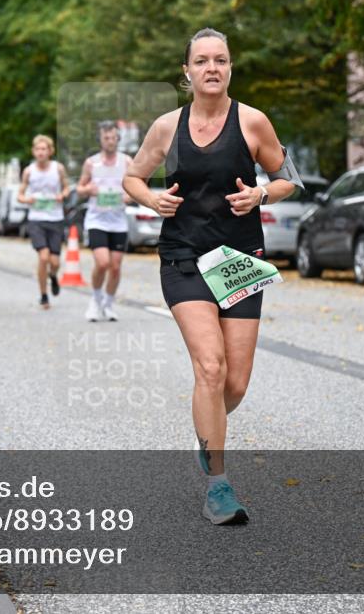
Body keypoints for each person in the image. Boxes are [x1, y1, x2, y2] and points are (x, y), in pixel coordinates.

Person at [123, 28, 301, 524]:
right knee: (211, 367)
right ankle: (218, 485)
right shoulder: (166, 127)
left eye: (220, 60)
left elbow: (290, 177)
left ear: (230, 67)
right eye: (201, 61)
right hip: (183, 258)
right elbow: (132, 177)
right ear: (186, 71)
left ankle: (207, 427)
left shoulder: (252, 121)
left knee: (236, 383)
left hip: (239, 258)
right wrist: (151, 198)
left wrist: (261, 195)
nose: (211, 68)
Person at [78, 122, 133, 321]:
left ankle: (108, 304)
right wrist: (88, 190)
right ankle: (95, 299)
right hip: (97, 220)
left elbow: (136, 185)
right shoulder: (92, 163)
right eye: (105, 138)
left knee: (116, 267)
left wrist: (130, 195)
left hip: (118, 221)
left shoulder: (126, 162)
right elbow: (80, 188)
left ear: (118, 139)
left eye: (113, 137)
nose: (109, 141)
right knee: (102, 263)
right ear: (100, 140)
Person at [18, 134, 70, 309]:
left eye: (44, 149)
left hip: (55, 219)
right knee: (43, 257)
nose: (41, 152)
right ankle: (43, 295)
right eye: (38, 149)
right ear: (34, 152)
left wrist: (61, 195)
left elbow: (67, 188)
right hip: (36, 220)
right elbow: (20, 195)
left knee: (54, 262)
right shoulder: (29, 171)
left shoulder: (58, 168)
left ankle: (53, 277)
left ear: (50, 151)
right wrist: (27, 200)